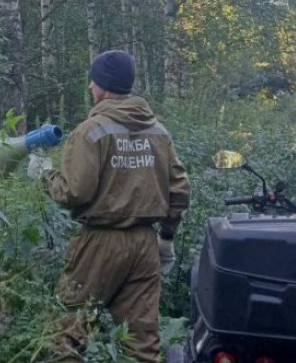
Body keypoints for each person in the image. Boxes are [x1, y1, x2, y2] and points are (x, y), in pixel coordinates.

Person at [28, 50, 191, 362]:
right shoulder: (158, 131)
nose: (90, 87)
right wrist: (166, 239)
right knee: (142, 344)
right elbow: (180, 190)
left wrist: (44, 175)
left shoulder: (91, 131)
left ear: (102, 85)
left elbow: (75, 191)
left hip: (100, 244)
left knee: (68, 335)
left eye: (93, 82)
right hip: (145, 245)